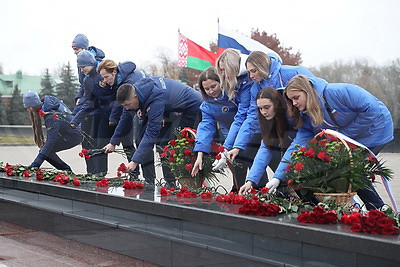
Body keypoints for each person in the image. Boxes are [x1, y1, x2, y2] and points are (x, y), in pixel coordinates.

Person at [267, 74, 394, 209]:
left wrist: (341, 135)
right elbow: (296, 146)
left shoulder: (338, 92)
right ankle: (344, 209)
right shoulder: (307, 116)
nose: (294, 103)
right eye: (291, 100)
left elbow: (372, 109)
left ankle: (378, 209)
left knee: (349, 167)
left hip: (377, 131)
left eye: (296, 98)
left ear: (307, 91)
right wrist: (277, 177)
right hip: (350, 139)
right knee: (339, 167)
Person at [104, 77, 203, 186]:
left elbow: (151, 134)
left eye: (127, 105)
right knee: (140, 139)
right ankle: (149, 180)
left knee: (167, 144)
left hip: (193, 108)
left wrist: (134, 162)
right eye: (124, 106)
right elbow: (125, 118)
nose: (127, 108)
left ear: (135, 97)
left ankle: (171, 183)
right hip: (171, 108)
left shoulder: (155, 101)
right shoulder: (135, 90)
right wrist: (113, 142)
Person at [213, 48, 267, 191]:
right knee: (246, 155)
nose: (222, 74)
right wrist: (227, 147)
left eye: (223, 70)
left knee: (250, 154)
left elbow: (245, 115)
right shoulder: (240, 81)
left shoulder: (248, 82)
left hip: (259, 124)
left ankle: (263, 190)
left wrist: (230, 146)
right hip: (253, 125)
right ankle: (255, 189)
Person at [191, 67, 249, 191]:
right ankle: (238, 189)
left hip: (247, 130)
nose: (211, 91)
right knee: (237, 162)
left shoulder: (234, 94)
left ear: (221, 82)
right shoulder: (207, 106)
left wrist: (228, 146)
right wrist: (200, 154)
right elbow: (206, 128)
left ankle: (260, 189)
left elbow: (242, 117)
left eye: (213, 86)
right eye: (207, 89)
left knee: (252, 159)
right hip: (229, 134)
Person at [71, 51, 127, 175]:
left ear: (91, 63)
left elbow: (116, 95)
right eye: (79, 67)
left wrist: (114, 115)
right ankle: (99, 173)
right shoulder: (87, 80)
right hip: (103, 113)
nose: (81, 70)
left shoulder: (101, 74)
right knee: (98, 144)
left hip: (116, 111)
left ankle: (134, 173)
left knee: (127, 144)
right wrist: (75, 118)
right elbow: (88, 100)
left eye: (83, 66)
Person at [97, 59, 150, 179]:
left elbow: (125, 113)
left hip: (149, 107)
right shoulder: (120, 81)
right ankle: (140, 176)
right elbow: (120, 105)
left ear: (114, 72)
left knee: (141, 141)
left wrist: (113, 141)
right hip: (140, 108)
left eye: (106, 77)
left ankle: (149, 179)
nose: (105, 81)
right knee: (137, 141)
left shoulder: (130, 83)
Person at [238, 86, 296, 194]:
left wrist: (278, 177)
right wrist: (250, 181)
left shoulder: (293, 117)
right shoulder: (267, 122)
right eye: (260, 108)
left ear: (277, 104)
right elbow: (264, 151)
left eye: (267, 107)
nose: (263, 112)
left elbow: (295, 147)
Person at [71, 34, 105, 174]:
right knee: (86, 142)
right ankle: (91, 173)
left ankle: (99, 172)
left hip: (98, 109)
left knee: (97, 142)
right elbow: (84, 85)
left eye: (77, 48)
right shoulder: (82, 63)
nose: (75, 52)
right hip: (87, 104)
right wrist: (79, 97)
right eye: (73, 49)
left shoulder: (98, 65)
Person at [23, 91, 82, 171]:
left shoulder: (51, 117)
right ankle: (66, 169)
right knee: (45, 149)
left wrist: (35, 164)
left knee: (47, 151)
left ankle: (66, 170)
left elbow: (51, 140)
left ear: (34, 105)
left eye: (29, 107)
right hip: (74, 129)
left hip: (73, 136)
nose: (28, 110)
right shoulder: (50, 102)